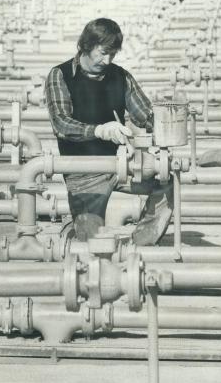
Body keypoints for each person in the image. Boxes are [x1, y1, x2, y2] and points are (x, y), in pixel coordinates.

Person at [45, 18, 173, 245]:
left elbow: (145, 114)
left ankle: (142, 242)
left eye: (113, 54)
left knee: (166, 180)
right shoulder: (61, 75)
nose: (107, 60)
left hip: (122, 164)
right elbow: (61, 124)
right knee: (91, 247)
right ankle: (75, 229)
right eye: (103, 53)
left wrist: (166, 127)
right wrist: (100, 131)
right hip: (82, 173)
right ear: (86, 45)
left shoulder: (121, 76)